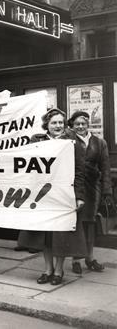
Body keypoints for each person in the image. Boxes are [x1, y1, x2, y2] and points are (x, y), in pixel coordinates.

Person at [18, 108, 87, 285]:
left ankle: (59, 270)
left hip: (64, 195)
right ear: (47, 125)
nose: (58, 126)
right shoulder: (37, 141)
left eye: (61, 123)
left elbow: (80, 172)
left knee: (61, 234)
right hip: (42, 196)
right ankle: (47, 269)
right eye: (54, 123)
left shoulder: (73, 143)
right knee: (45, 235)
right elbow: (27, 167)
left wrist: (79, 196)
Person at [68, 111, 112, 273]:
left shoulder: (99, 143)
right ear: (72, 126)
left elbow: (105, 168)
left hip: (93, 189)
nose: (80, 127)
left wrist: (107, 191)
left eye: (83, 124)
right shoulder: (68, 141)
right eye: (77, 124)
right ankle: (75, 260)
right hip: (74, 187)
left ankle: (90, 258)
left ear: (88, 125)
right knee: (77, 223)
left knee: (90, 224)